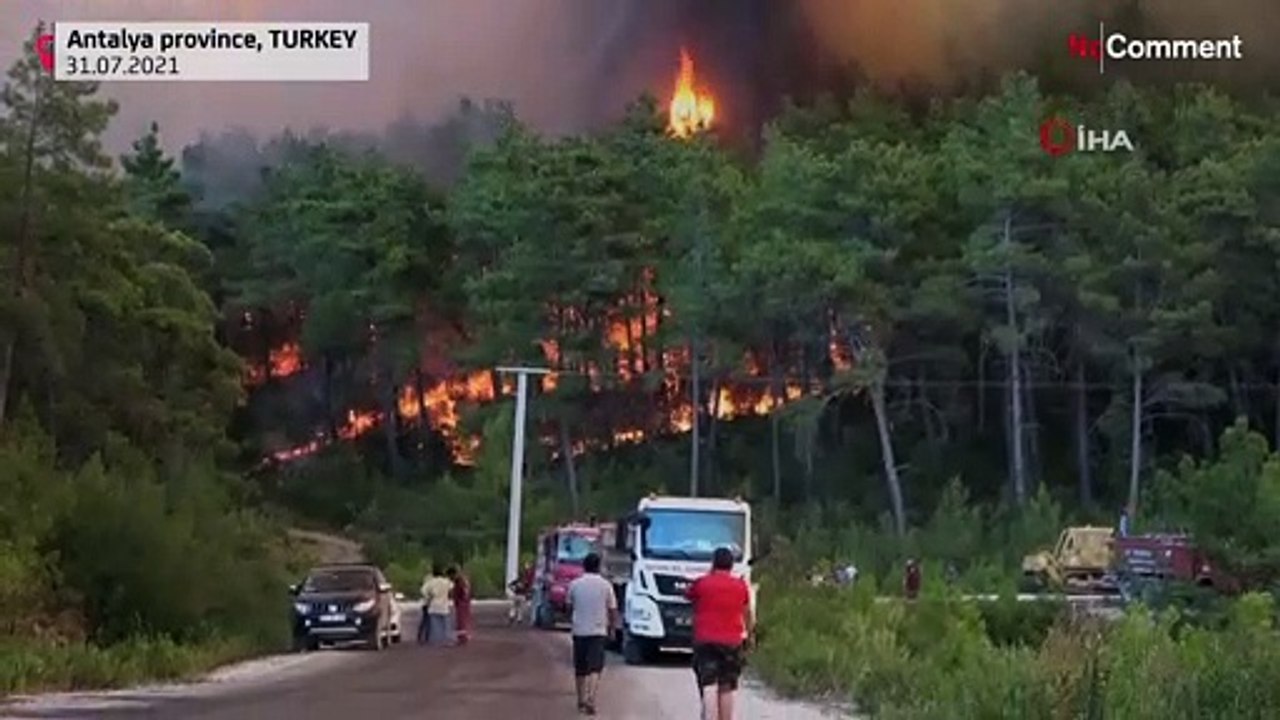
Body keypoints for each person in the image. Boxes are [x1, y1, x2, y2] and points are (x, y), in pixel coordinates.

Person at [686, 547, 753, 720]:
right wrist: (750, 634)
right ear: (732, 565)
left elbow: (689, 596)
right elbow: (747, 613)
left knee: (709, 684)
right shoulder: (740, 585)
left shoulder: (702, 583)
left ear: (713, 563)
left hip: (705, 640)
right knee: (727, 687)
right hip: (732, 641)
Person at [565, 552, 616, 716]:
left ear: (584, 566)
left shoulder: (575, 584)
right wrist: (612, 629)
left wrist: (573, 620)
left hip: (579, 630)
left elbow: (568, 607)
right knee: (595, 667)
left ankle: (580, 699)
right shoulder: (606, 585)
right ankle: (591, 698)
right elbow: (612, 609)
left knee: (580, 668)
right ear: (598, 566)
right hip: (598, 631)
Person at [420, 564, 454, 646]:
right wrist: (448, 595)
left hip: (434, 605)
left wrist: (429, 597)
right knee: (445, 625)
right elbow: (452, 587)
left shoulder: (430, 582)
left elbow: (423, 591)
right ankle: (446, 640)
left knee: (435, 626)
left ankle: (436, 641)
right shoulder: (446, 582)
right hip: (444, 606)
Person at [449, 564, 473, 646]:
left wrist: (463, 599)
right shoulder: (462, 579)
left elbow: (465, 590)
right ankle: (463, 637)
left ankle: (462, 638)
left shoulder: (460, 580)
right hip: (462, 603)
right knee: (463, 620)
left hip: (462, 603)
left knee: (461, 621)